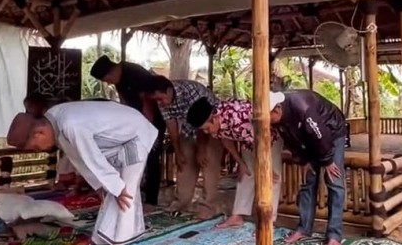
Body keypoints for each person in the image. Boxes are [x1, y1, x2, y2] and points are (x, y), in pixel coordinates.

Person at [8, 100, 158, 245]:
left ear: (39, 133)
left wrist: (116, 187)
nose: (38, 150)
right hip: (114, 141)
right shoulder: (54, 120)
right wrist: (101, 186)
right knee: (113, 194)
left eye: (35, 147)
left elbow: (91, 156)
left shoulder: (71, 124)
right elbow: (79, 159)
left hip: (134, 136)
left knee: (126, 196)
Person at [186, 97, 283, 228]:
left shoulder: (237, 117)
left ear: (214, 118)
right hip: (249, 140)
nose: (206, 132)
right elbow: (226, 139)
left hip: (269, 138)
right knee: (246, 173)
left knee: (271, 177)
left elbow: (261, 140)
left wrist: (266, 166)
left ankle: (268, 221)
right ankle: (238, 215)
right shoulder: (216, 123)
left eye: (207, 128)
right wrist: (240, 162)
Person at [271, 90, 347, 245]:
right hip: (309, 139)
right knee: (308, 181)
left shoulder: (302, 106)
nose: (265, 122)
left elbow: (320, 133)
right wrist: (303, 160)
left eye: (267, 117)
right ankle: (304, 228)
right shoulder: (277, 120)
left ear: (277, 109)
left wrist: (327, 160)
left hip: (331, 132)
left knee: (334, 181)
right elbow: (290, 140)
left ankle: (334, 234)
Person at [90, 55, 165, 205]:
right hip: (136, 123)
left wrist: (147, 129)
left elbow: (148, 103)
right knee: (132, 156)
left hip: (151, 122)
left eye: (107, 80)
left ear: (111, 73)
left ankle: (151, 200)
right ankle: (135, 191)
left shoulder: (134, 73)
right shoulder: (120, 79)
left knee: (151, 159)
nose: (109, 83)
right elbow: (124, 102)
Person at [143, 76, 222, 219]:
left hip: (211, 128)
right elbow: (171, 125)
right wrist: (178, 151)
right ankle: (181, 202)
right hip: (188, 130)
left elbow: (202, 121)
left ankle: (208, 206)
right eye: (157, 100)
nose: (160, 103)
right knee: (184, 163)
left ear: (168, 91)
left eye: (160, 99)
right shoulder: (163, 101)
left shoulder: (192, 90)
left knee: (208, 162)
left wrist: (201, 149)